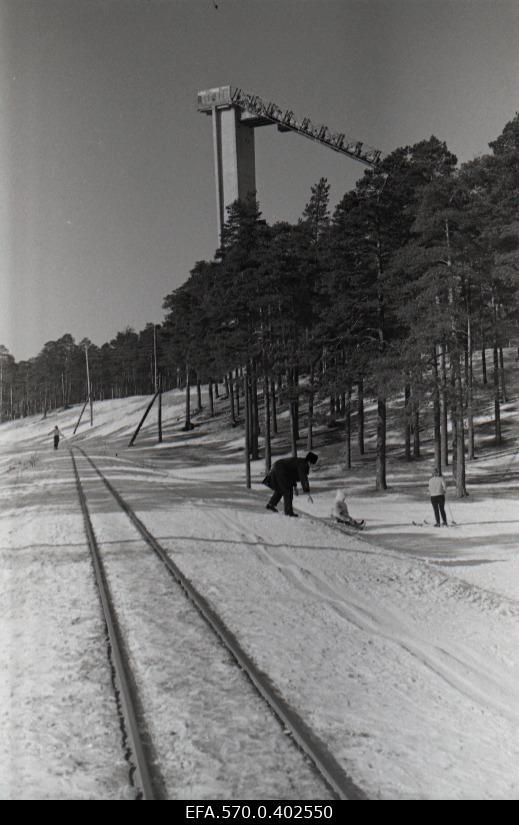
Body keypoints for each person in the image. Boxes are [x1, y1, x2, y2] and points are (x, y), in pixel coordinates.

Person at [264, 452, 318, 517]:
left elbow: (292, 475)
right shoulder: (303, 464)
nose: (313, 466)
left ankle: (271, 505)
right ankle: (288, 512)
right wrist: (307, 491)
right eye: (313, 464)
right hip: (280, 470)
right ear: (310, 461)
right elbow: (303, 478)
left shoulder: (301, 462)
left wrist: (295, 486)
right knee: (288, 491)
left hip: (279, 467)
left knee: (281, 488)